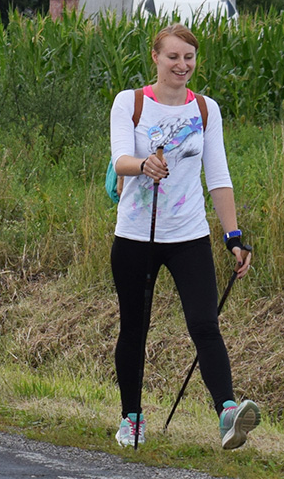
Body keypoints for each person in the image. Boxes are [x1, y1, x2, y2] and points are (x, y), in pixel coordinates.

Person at [109, 23, 260, 449]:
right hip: (136, 234)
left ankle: (228, 414)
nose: (182, 65)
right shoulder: (131, 102)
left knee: (204, 323)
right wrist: (142, 166)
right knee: (134, 328)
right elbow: (120, 158)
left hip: (188, 234)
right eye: (173, 56)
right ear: (155, 57)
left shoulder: (206, 110)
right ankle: (132, 418)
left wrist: (233, 235)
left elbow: (219, 176)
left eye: (189, 57)